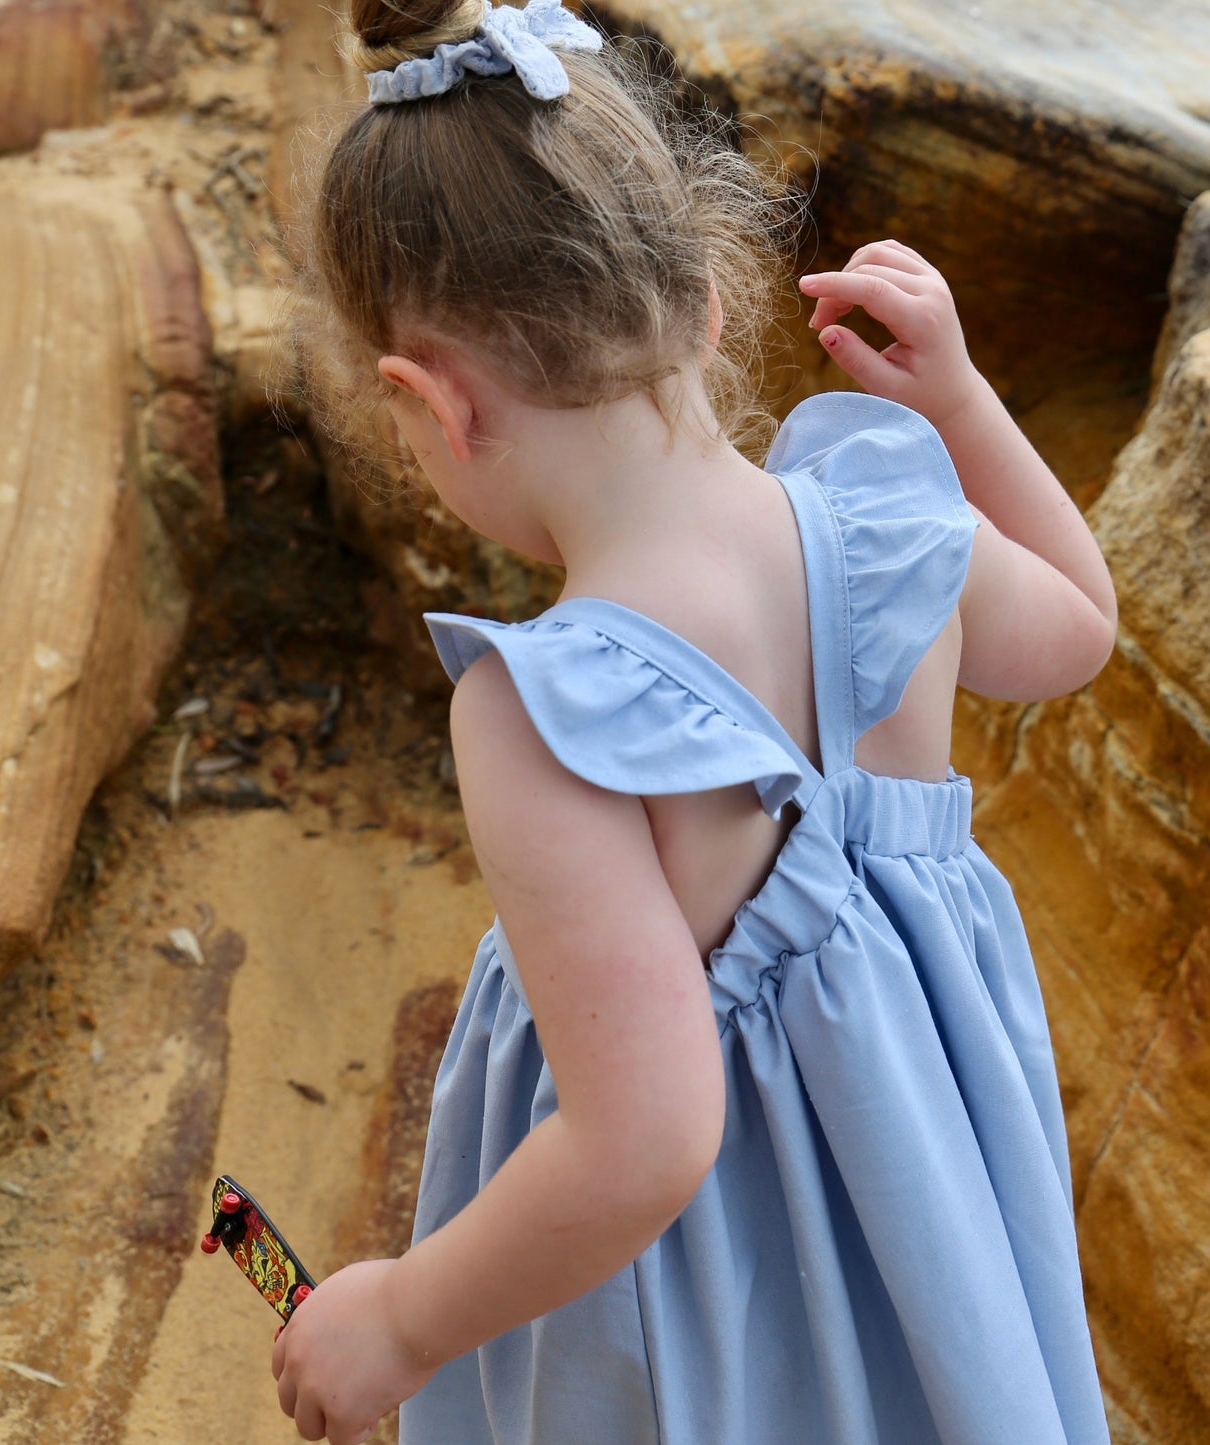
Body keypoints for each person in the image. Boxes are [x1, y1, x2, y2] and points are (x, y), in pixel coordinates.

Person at [272, 1, 1118, 1441]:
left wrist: (402, 1316)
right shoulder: (889, 516)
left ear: (430, 405)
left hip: (712, 1299)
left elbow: (647, 1138)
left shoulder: (547, 713)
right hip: (934, 1230)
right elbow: (1078, 629)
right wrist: (963, 404)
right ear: (706, 300)